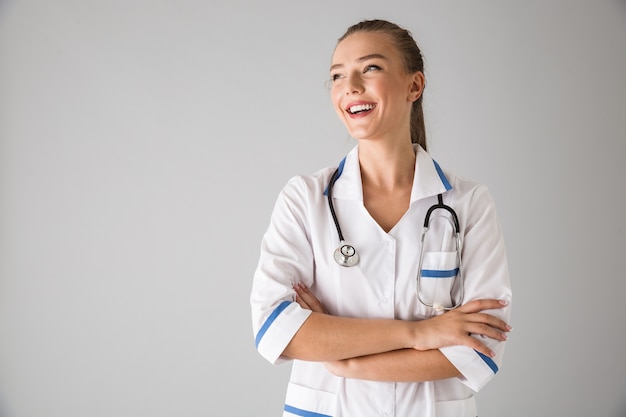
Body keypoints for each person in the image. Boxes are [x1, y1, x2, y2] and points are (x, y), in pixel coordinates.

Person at [250, 19, 512, 417]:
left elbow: (480, 351)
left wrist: (344, 360)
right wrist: (421, 334)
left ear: (414, 86)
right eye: (337, 76)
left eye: (370, 68)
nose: (350, 85)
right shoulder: (305, 199)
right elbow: (277, 330)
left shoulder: (469, 203)